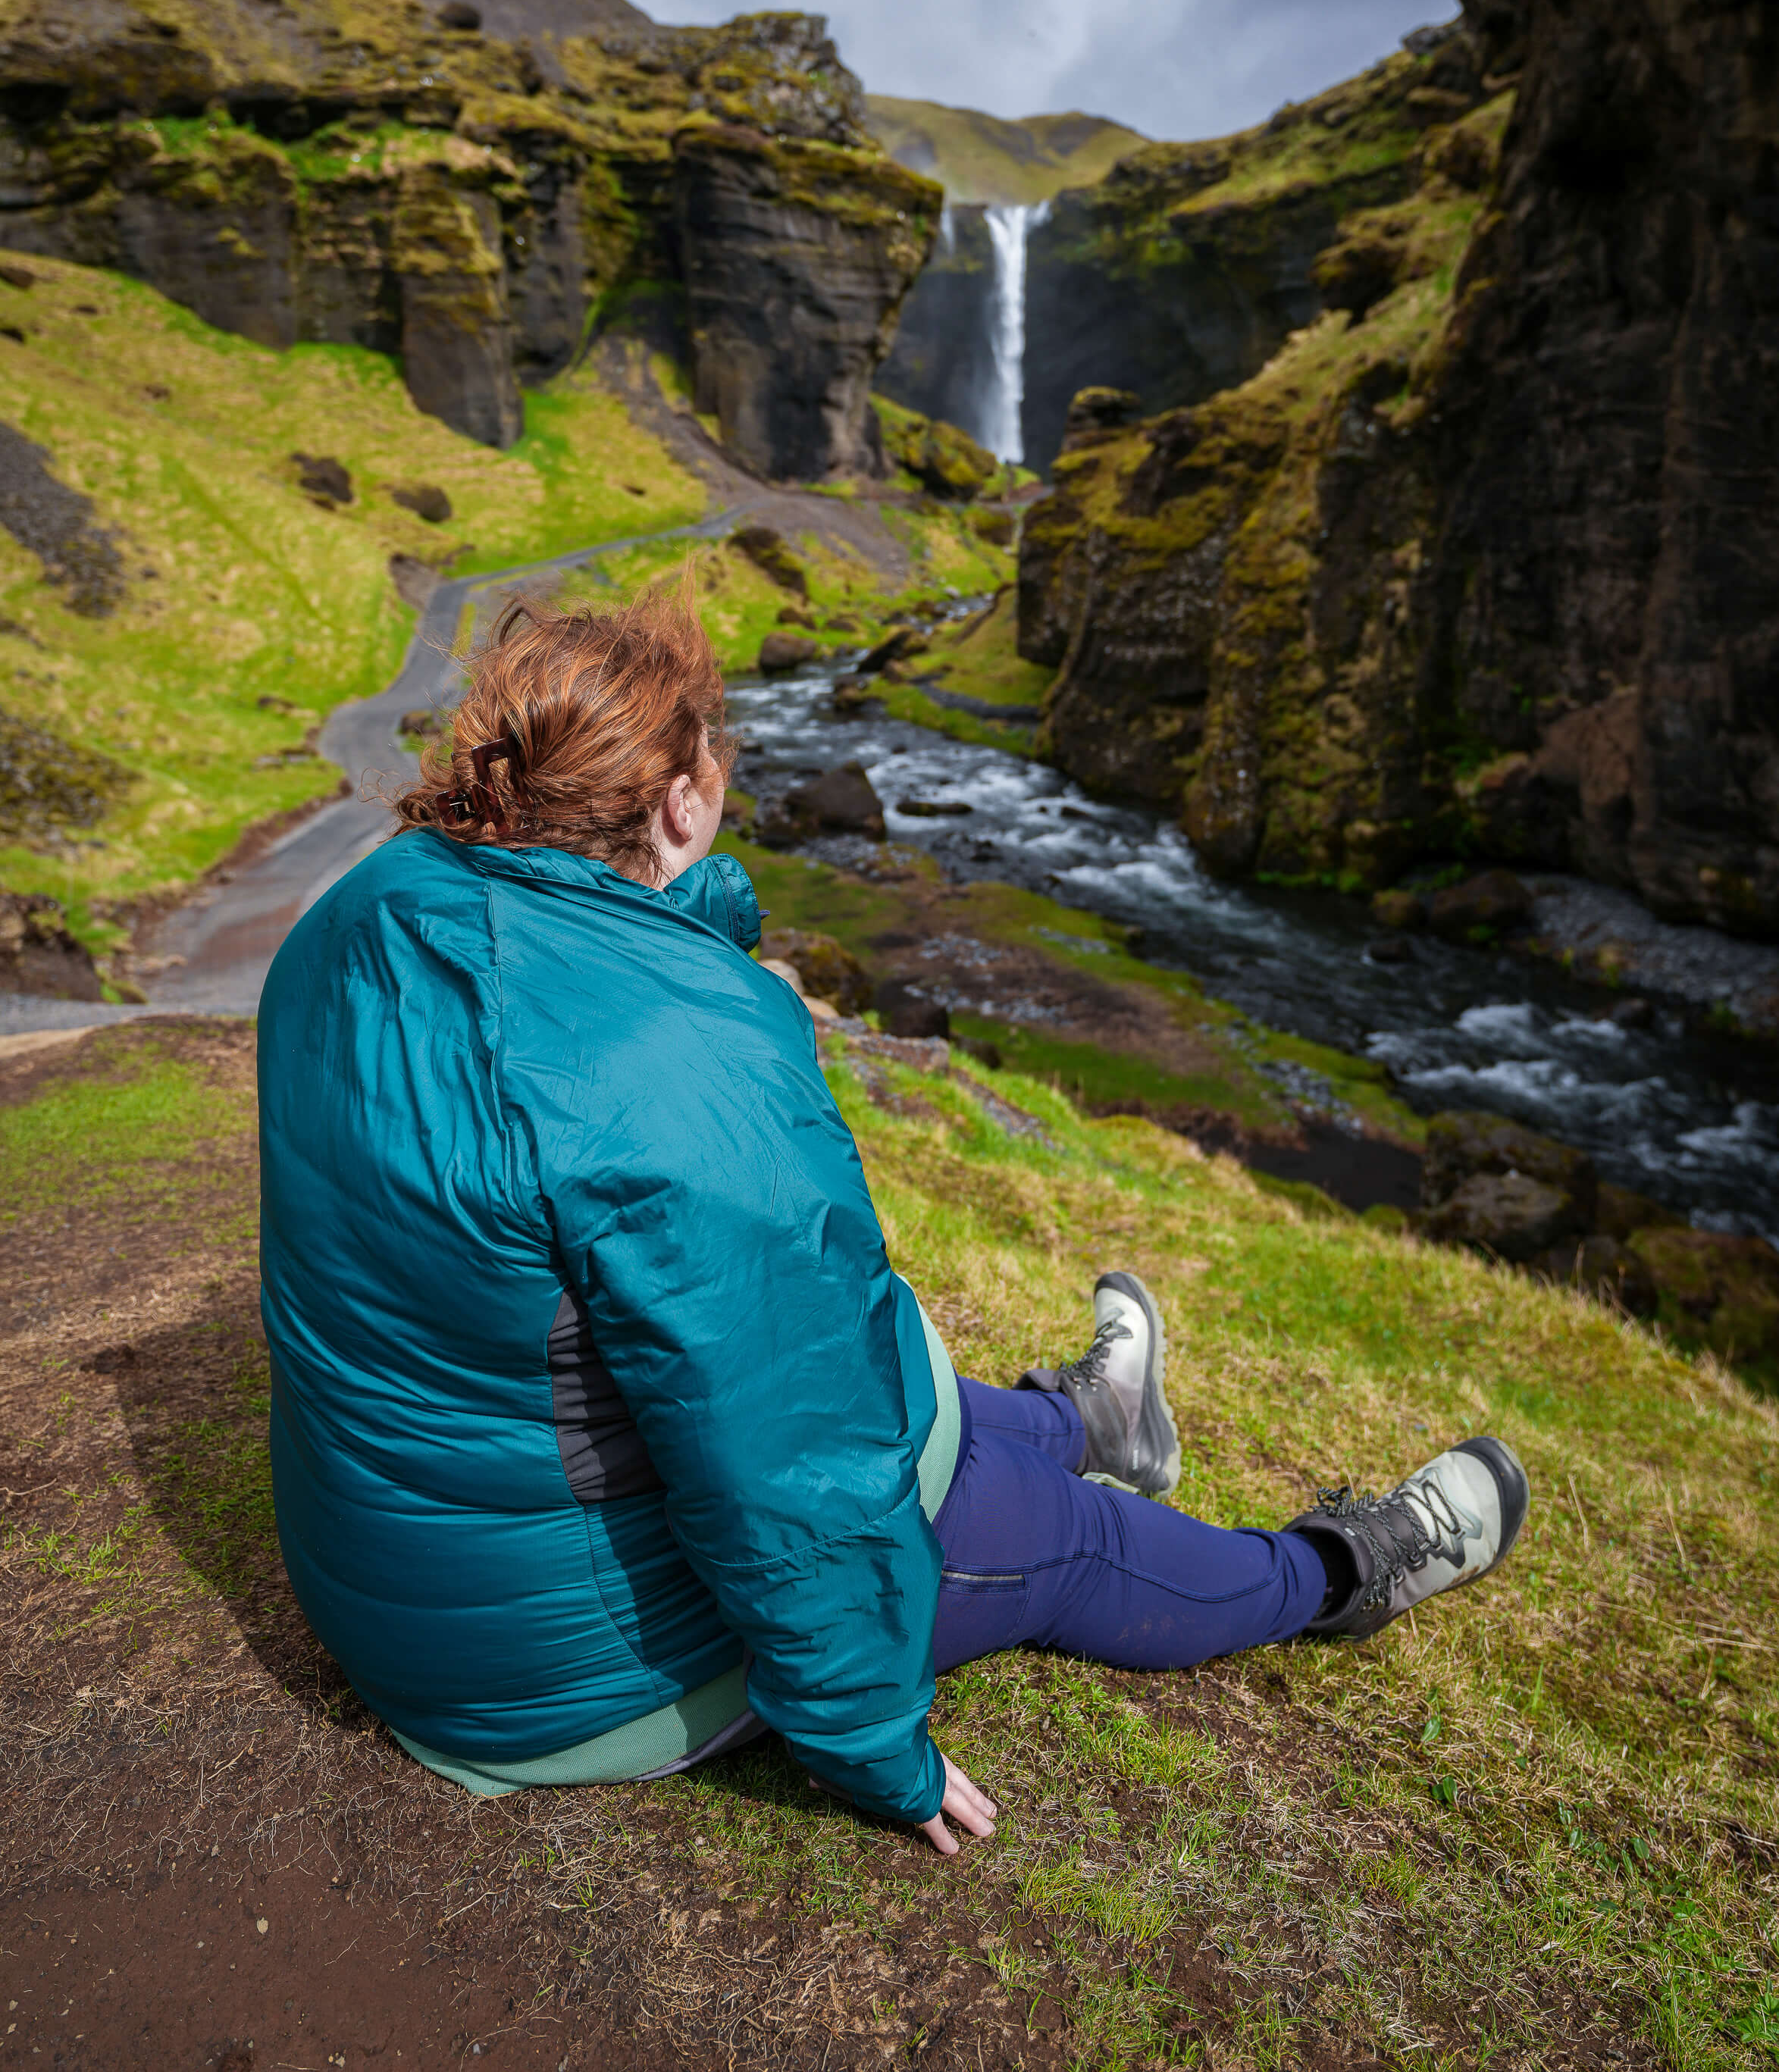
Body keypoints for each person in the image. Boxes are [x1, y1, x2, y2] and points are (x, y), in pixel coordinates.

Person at [257, 587, 1528, 1854]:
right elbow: (786, 1462)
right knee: (1063, 1535)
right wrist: (875, 1747)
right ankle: (1343, 1573)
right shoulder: (687, 1067)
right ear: (681, 802)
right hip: (559, 1673)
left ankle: (1094, 1417)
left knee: (895, 1379)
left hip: (402, 1583)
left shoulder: (366, 916)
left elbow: (544, 1007)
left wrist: (700, 942)